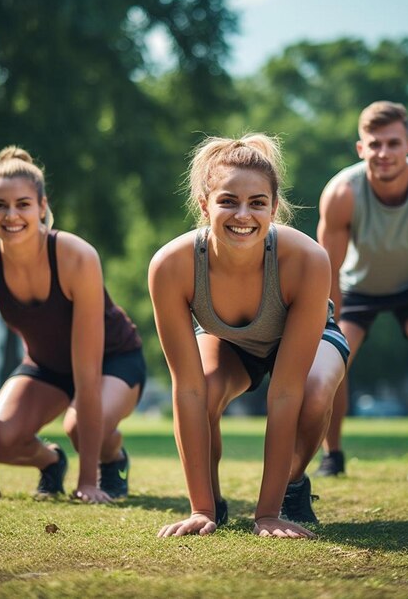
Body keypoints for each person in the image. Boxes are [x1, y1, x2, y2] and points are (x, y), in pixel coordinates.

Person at [148, 134, 350, 539]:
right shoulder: (171, 266)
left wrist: (267, 515)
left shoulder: (308, 260)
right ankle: (213, 505)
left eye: (257, 202)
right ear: (205, 205)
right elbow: (185, 390)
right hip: (228, 341)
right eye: (228, 201)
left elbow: (285, 392)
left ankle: (291, 486)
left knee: (312, 393)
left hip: (305, 338)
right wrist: (199, 507)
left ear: (274, 208)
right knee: (202, 390)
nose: (243, 215)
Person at [0, 146, 146, 503]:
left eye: (23, 204)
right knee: (0, 439)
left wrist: (88, 482)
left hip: (114, 361)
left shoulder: (77, 257)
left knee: (79, 427)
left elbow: (87, 370)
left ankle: (112, 455)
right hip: (47, 367)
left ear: (42, 207)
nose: (11, 215)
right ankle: (51, 461)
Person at [315, 101, 408, 480]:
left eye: (393, 143)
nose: (384, 153)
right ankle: (332, 455)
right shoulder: (341, 193)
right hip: (356, 286)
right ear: (361, 148)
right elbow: (326, 270)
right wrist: (327, 330)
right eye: (375, 144)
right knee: (330, 362)